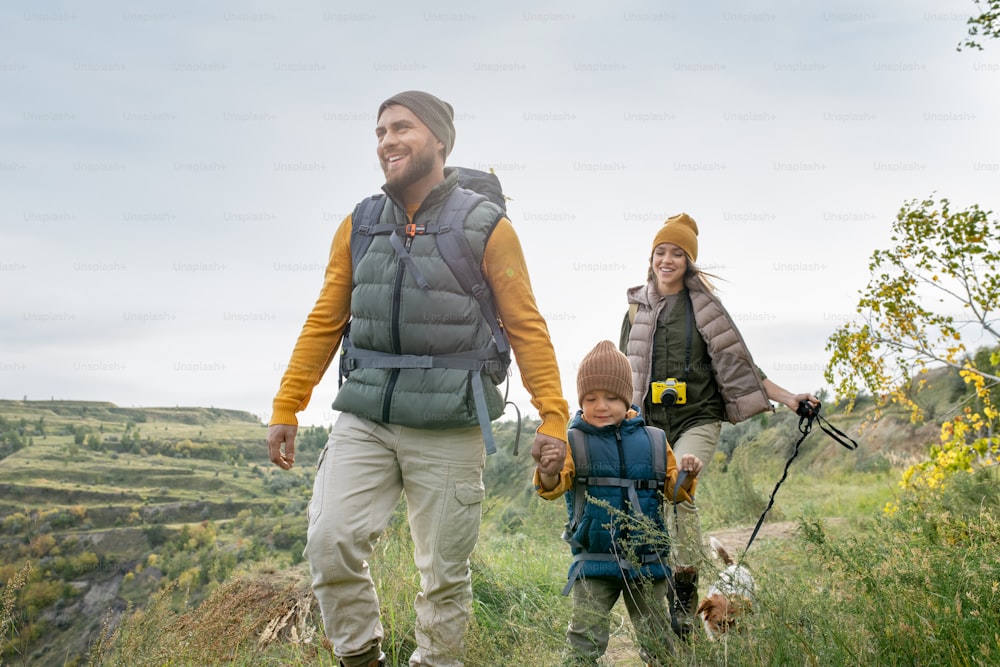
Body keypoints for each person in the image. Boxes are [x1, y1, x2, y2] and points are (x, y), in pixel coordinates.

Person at [266, 90, 570, 667]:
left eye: (401, 128)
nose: (387, 142)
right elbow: (325, 319)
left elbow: (526, 326)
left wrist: (553, 417)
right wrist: (288, 405)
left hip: (451, 423)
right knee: (329, 543)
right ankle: (361, 657)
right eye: (380, 132)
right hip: (367, 417)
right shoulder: (358, 224)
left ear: (439, 140)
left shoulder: (487, 228)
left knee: (444, 575)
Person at [619, 212, 820, 639]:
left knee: (680, 487)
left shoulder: (704, 308)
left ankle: (685, 598)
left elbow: (740, 364)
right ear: (651, 257)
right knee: (646, 499)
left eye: (677, 253)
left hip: (699, 417)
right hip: (650, 422)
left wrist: (789, 399)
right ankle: (653, 584)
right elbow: (621, 371)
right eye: (661, 251)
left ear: (689, 262)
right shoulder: (635, 308)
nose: (667, 260)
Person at [535, 340, 703, 667]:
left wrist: (687, 473)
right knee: (583, 643)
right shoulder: (573, 441)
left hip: (648, 564)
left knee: (660, 644)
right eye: (590, 398)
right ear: (580, 401)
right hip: (594, 562)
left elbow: (675, 492)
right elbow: (552, 487)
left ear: (627, 399)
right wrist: (548, 471)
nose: (601, 406)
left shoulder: (654, 439)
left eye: (611, 398)